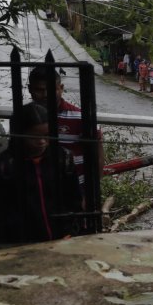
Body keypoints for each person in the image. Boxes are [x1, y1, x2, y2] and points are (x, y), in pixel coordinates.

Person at [0, 103, 81, 244]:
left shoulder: (63, 158)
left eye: (47, 135)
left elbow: (75, 199)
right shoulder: (4, 166)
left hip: (62, 240)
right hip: (22, 244)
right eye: (34, 137)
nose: (42, 142)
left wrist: (72, 231)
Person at [27, 66, 101, 211]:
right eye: (40, 90)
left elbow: (97, 156)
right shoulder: (26, 118)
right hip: (37, 193)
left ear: (61, 88)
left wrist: (90, 194)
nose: (46, 95)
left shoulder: (80, 117)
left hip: (75, 192)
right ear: (30, 89)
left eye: (51, 89)